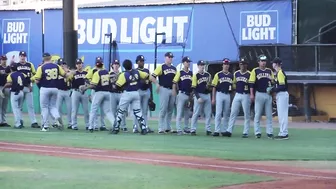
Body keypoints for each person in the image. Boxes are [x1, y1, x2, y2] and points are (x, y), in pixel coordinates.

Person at [33, 53, 73, 132]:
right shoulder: (57, 66)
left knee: (44, 107)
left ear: (43, 59)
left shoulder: (41, 67)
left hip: (45, 88)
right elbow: (65, 75)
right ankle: (57, 116)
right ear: (51, 58)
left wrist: (40, 84)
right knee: (53, 106)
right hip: (55, 88)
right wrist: (71, 72)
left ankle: (45, 126)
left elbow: (37, 80)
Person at [110, 59, 148, 135]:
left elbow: (117, 86)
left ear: (124, 67)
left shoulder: (124, 74)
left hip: (127, 93)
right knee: (138, 111)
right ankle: (144, 128)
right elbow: (146, 75)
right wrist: (140, 81)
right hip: (136, 93)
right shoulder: (137, 71)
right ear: (131, 65)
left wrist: (114, 83)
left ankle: (116, 128)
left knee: (120, 111)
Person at [79, 57, 115, 133]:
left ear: (96, 65)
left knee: (93, 110)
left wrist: (85, 88)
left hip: (99, 93)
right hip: (108, 93)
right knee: (108, 111)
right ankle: (115, 125)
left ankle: (90, 127)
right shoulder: (106, 72)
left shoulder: (96, 73)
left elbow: (93, 85)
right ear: (102, 64)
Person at [222, 58, 251, 138]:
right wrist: (234, 91)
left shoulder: (249, 74)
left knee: (246, 114)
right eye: (241, 64)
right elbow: (233, 84)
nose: (242, 65)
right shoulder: (236, 73)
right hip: (237, 94)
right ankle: (229, 130)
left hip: (246, 94)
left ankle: (246, 132)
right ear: (239, 65)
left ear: (246, 65)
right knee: (233, 113)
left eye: (244, 64)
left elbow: (252, 85)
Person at [249, 55, 274, 139]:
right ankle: (257, 132)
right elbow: (251, 83)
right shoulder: (255, 71)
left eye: (264, 61)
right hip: (259, 93)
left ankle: (269, 132)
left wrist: (273, 92)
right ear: (258, 62)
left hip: (268, 94)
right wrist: (252, 94)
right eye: (262, 61)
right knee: (258, 114)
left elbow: (273, 82)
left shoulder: (269, 71)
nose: (263, 62)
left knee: (269, 114)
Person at [150, 52, 176, 134]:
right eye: (169, 57)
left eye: (171, 57)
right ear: (165, 57)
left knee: (170, 109)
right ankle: (160, 128)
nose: (170, 58)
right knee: (163, 109)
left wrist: (175, 89)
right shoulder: (161, 67)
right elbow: (152, 77)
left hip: (172, 90)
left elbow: (175, 81)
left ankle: (168, 127)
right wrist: (157, 84)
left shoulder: (174, 68)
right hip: (163, 89)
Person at [15, 51, 39, 128]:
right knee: (19, 106)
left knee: (30, 105)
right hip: (19, 88)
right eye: (21, 56)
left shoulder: (30, 64)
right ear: (19, 56)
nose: (22, 57)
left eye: (24, 56)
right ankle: (20, 120)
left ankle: (34, 122)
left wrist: (31, 81)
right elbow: (13, 75)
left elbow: (35, 74)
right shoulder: (16, 65)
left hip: (28, 87)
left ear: (25, 56)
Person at [211, 58, 233, 137]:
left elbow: (232, 87)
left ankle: (224, 130)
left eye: (227, 64)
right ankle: (217, 130)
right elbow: (214, 86)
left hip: (227, 94)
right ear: (222, 65)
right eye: (225, 64)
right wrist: (213, 98)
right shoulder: (218, 74)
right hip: (219, 94)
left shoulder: (231, 75)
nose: (226, 66)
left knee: (226, 113)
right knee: (218, 112)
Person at [190, 60, 212, 136]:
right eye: (201, 65)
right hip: (199, 94)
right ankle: (193, 129)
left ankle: (208, 129)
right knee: (196, 113)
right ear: (198, 66)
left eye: (203, 65)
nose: (202, 66)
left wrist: (209, 87)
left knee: (208, 113)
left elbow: (210, 88)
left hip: (207, 95)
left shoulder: (208, 75)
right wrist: (198, 97)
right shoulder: (196, 75)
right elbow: (194, 88)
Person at [132, 55, 154, 133]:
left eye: (143, 61)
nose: (142, 62)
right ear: (137, 62)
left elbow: (150, 83)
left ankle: (145, 126)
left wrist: (151, 95)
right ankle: (135, 127)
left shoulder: (147, 71)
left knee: (145, 111)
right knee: (137, 110)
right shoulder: (134, 71)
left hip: (146, 91)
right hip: (138, 91)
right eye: (141, 61)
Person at [172, 56, 193, 135]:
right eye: (187, 62)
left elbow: (192, 84)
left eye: (189, 62)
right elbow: (174, 82)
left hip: (188, 94)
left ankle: (186, 128)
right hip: (181, 93)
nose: (188, 63)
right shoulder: (180, 72)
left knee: (187, 113)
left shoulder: (191, 73)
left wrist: (191, 95)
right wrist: (174, 90)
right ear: (183, 63)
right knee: (180, 112)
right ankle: (179, 129)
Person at [270, 57, 289, 140]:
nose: (272, 64)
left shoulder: (280, 73)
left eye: (273, 63)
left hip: (282, 94)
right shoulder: (278, 73)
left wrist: (273, 89)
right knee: (281, 115)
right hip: (280, 94)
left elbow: (282, 86)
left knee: (283, 114)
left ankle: (284, 133)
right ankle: (282, 132)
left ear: (276, 64)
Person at [1, 63, 25, 129]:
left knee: (15, 109)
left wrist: (3, 88)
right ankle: (20, 121)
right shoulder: (22, 74)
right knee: (20, 108)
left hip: (15, 93)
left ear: (11, 69)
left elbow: (9, 83)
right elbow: (25, 79)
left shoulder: (11, 75)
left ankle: (18, 123)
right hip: (21, 92)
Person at [85, 58, 106, 131]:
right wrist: (90, 84)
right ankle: (95, 125)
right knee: (95, 109)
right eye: (98, 62)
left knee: (102, 109)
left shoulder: (104, 70)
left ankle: (103, 125)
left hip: (102, 91)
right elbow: (86, 78)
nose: (99, 63)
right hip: (94, 91)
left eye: (99, 62)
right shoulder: (93, 70)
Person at [70, 58, 90, 130]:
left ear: (82, 64)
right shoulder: (73, 73)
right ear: (76, 65)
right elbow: (68, 80)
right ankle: (74, 125)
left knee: (86, 110)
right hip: (75, 91)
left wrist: (86, 87)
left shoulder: (86, 73)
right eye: (78, 64)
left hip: (84, 92)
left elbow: (89, 82)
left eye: (80, 63)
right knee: (74, 110)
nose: (79, 65)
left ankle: (88, 124)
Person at [109, 59, 127, 132]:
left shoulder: (122, 74)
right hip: (112, 94)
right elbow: (110, 82)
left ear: (119, 66)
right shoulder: (109, 74)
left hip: (120, 93)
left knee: (122, 110)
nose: (116, 65)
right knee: (113, 111)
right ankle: (114, 125)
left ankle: (123, 126)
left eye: (117, 64)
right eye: (114, 64)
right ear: (112, 65)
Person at [55, 58, 72, 129]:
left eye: (63, 64)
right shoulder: (56, 72)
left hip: (68, 91)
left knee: (69, 108)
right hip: (59, 91)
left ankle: (70, 123)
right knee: (58, 108)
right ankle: (58, 123)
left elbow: (72, 78)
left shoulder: (69, 72)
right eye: (60, 64)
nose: (62, 66)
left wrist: (67, 72)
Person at [0, 55, 11, 127]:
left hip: (6, 87)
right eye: (2, 59)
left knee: (4, 106)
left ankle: (3, 121)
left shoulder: (9, 68)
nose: (4, 61)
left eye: (5, 59)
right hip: (0, 87)